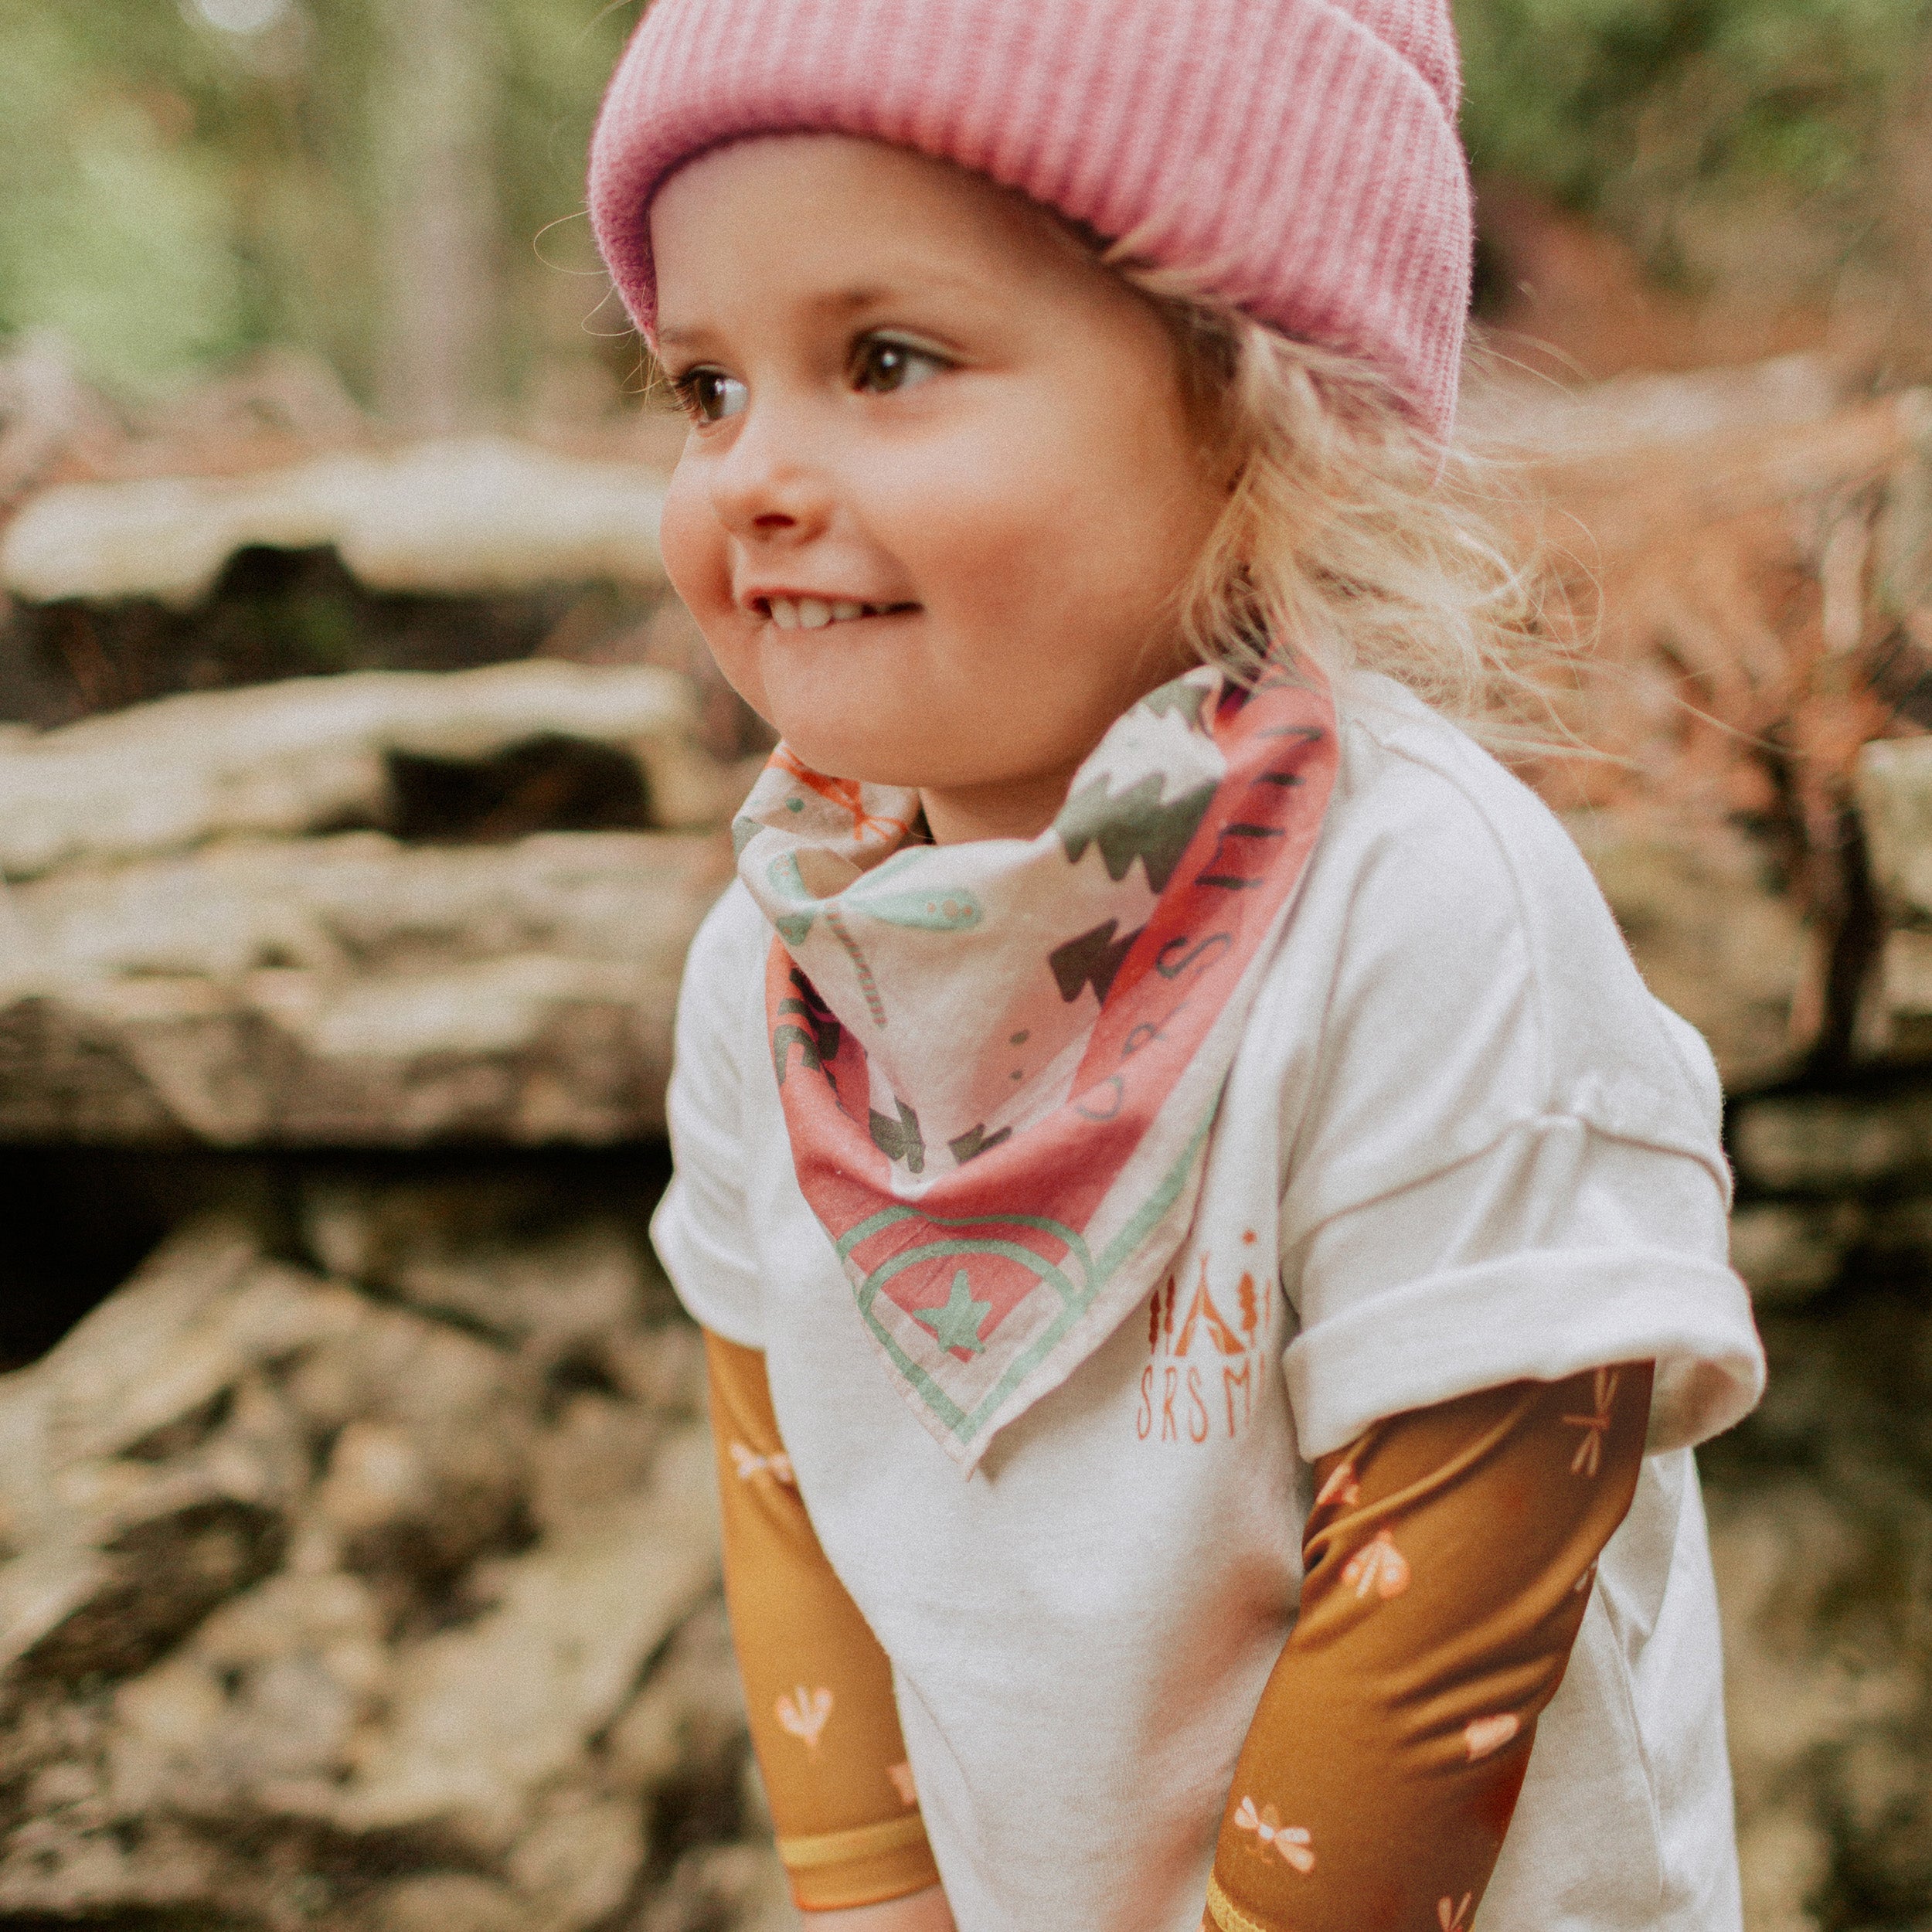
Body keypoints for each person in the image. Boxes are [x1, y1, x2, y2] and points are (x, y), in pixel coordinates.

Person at [586, 4, 1767, 1929]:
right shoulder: (778, 960)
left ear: (1252, 403)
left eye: (883, 361)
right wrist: (878, 1898)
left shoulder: (1413, 908)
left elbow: (1453, 1588)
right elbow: (778, 1458)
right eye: (705, 389)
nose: (755, 476)